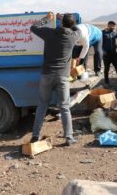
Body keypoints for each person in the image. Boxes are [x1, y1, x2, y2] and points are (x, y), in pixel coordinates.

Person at [30, 12, 81, 146]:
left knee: (42, 105)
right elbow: (78, 29)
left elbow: (33, 28)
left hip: (47, 75)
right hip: (63, 77)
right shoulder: (73, 36)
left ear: (61, 23)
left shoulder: (49, 33)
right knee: (64, 107)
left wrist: (47, 19)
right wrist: (65, 19)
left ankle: (35, 136)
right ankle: (69, 137)